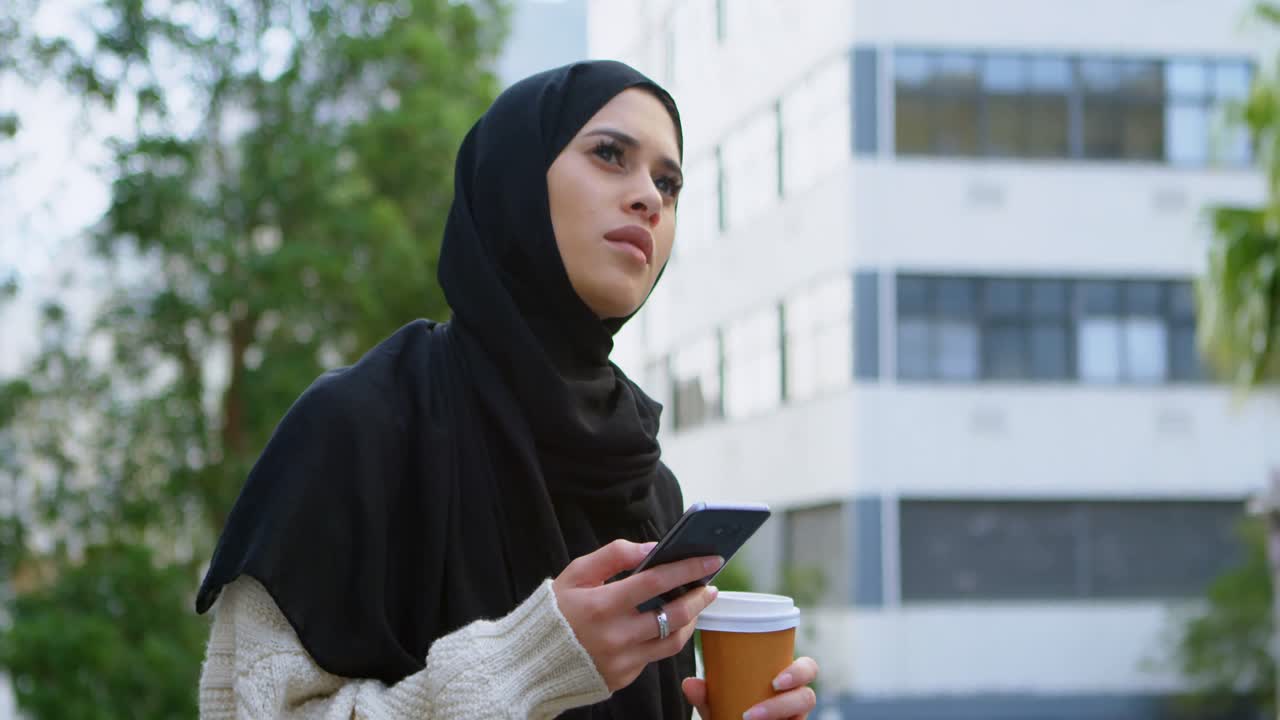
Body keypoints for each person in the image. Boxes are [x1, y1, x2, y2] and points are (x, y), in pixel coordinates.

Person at [194, 60, 819, 719]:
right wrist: (534, 663)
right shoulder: (360, 425)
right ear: (517, 176)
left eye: (669, 183)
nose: (649, 198)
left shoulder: (643, 479)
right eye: (610, 154)